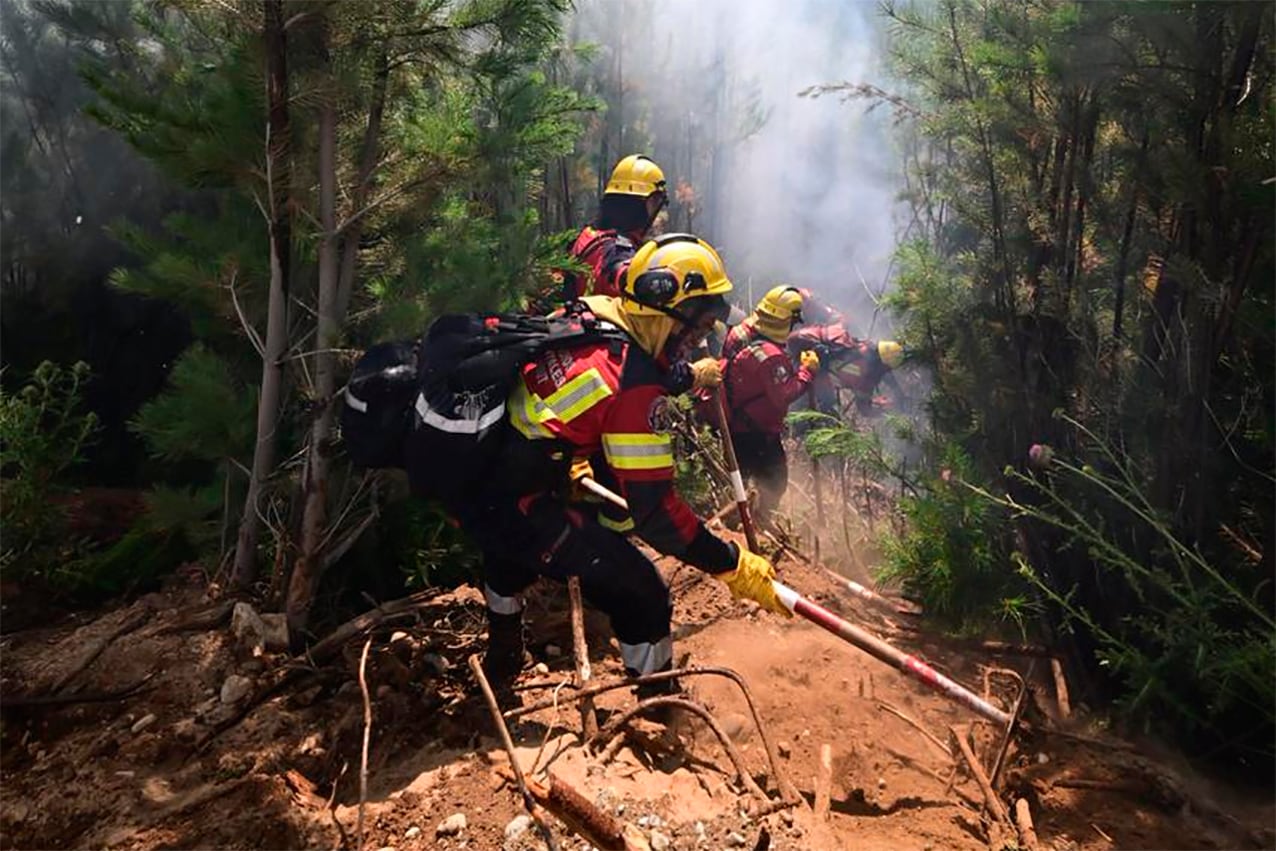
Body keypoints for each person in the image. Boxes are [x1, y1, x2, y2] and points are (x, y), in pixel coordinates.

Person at [432, 233, 792, 698]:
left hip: (486, 478)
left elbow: (555, 395)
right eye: (699, 324)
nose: (699, 339)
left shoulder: (597, 313)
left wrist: (566, 458)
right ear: (668, 311)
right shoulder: (632, 384)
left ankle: (503, 659)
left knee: (507, 553)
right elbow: (657, 515)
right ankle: (655, 708)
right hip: (510, 500)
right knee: (643, 591)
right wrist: (731, 564)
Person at [714, 285, 820, 522]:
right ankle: (761, 523)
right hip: (758, 431)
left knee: (738, 480)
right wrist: (807, 371)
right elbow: (785, 393)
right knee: (775, 481)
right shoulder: (770, 357)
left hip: (734, 420)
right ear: (788, 320)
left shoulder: (741, 331)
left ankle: (734, 519)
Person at [560, 154, 669, 302]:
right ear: (637, 205)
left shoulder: (586, 237)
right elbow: (621, 271)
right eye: (655, 203)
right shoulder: (618, 250)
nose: (658, 214)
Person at [788, 323, 905, 417]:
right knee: (828, 402)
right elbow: (865, 409)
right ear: (882, 367)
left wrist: (897, 391)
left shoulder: (858, 346)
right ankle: (802, 421)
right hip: (812, 367)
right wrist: (886, 410)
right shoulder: (864, 375)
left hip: (800, 339)